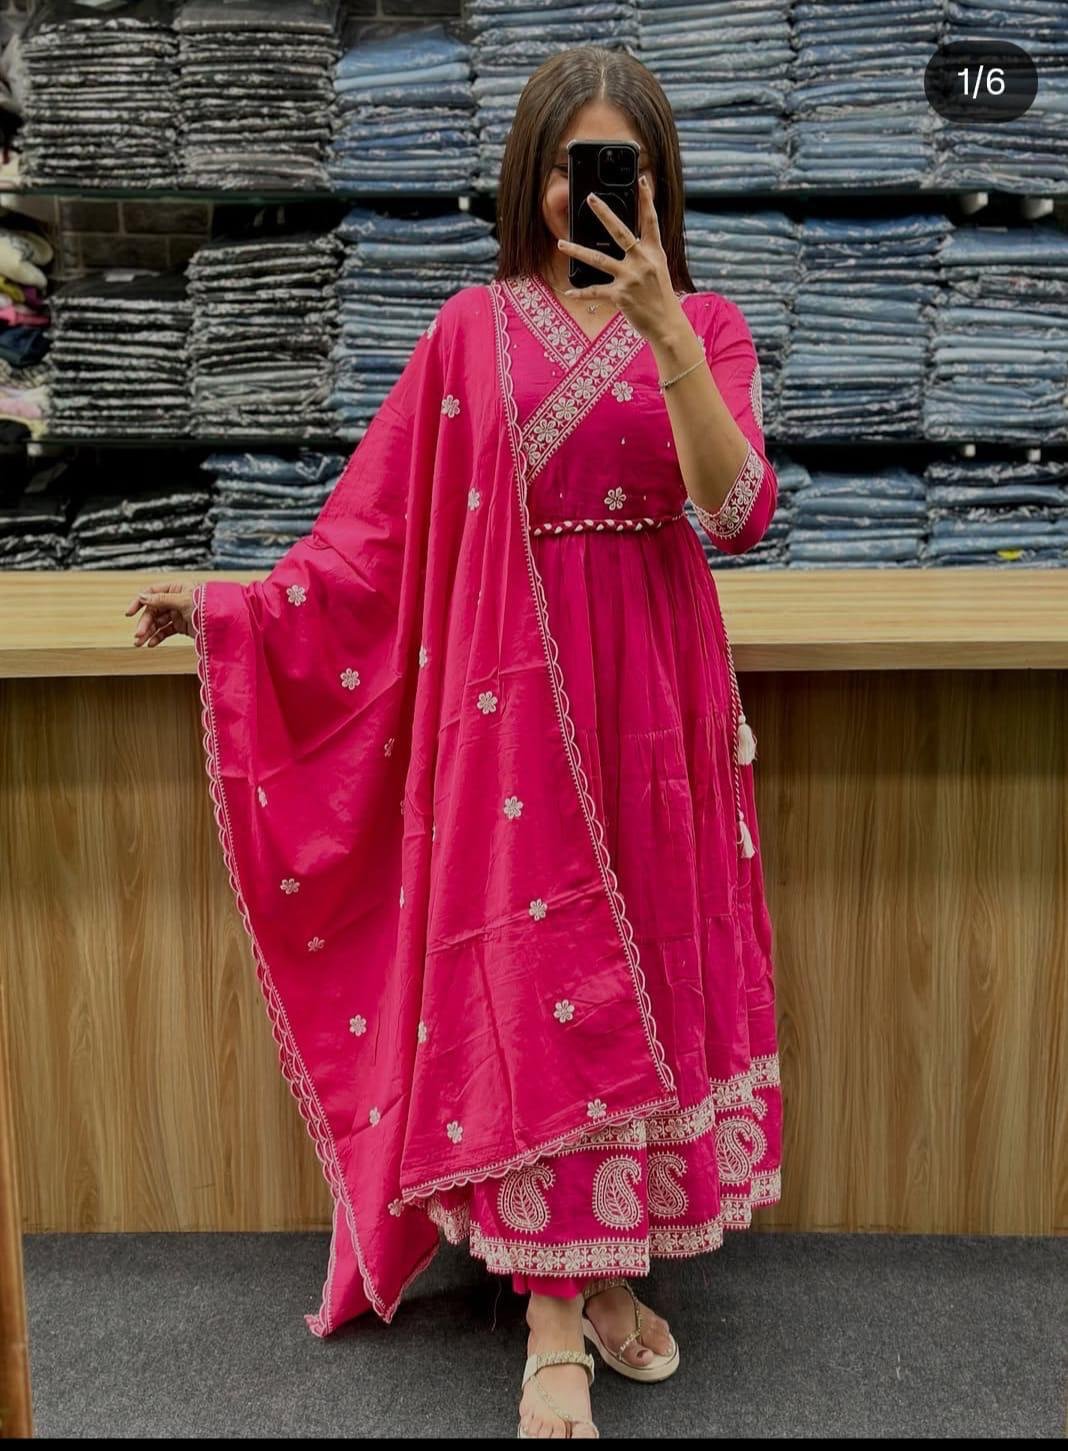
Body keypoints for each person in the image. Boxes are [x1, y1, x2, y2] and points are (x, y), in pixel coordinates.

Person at [126, 45, 782, 1442]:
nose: (584, 193)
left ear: (659, 183)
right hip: (513, 714)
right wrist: (236, 607)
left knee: (644, 970)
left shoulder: (709, 325)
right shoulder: (469, 332)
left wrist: (664, 329)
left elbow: (736, 517)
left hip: (655, 704)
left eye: (619, 168)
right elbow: (371, 538)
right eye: (566, 166)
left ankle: (609, 1267)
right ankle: (551, 1316)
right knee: (539, 978)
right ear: (527, 174)